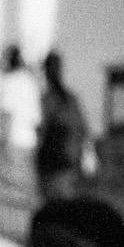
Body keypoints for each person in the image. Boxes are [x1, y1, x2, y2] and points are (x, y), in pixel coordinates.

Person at [0, 44, 43, 238]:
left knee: (5, 191)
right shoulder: (29, 81)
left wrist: (1, 145)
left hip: (13, 142)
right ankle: (30, 229)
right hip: (29, 142)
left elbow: (6, 116)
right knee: (26, 189)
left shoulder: (9, 82)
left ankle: (4, 232)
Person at [35, 51, 93, 198]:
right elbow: (83, 130)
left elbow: (40, 132)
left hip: (49, 164)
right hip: (69, 162)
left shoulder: (46, 100)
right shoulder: (71, 100)